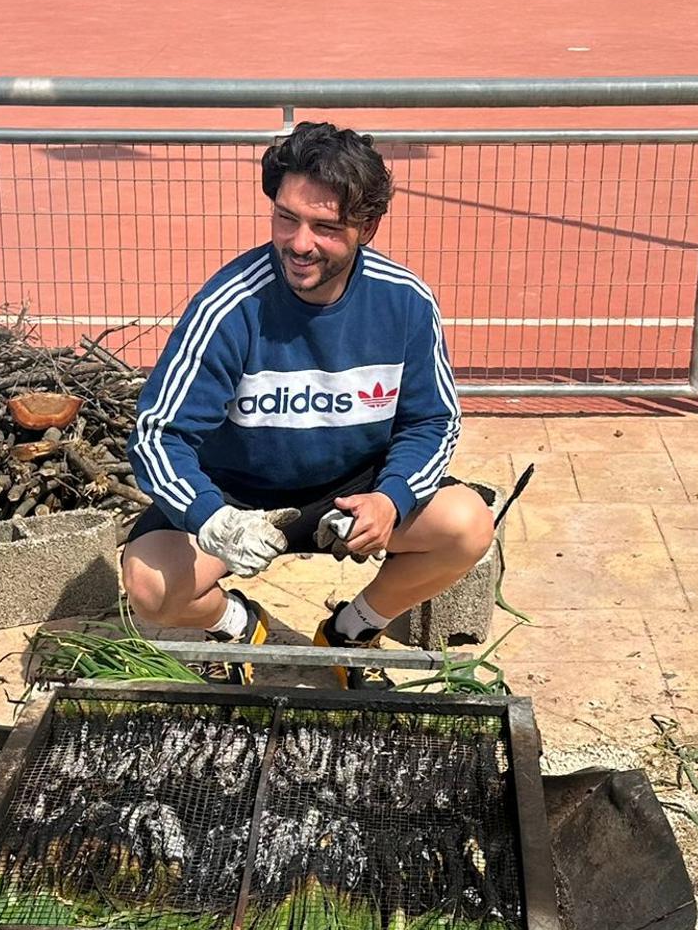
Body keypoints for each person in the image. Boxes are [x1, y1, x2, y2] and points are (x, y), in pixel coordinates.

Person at [123, 119, 492, 685]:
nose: (299, 243)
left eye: (326, 227)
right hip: (239, 500)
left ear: (367, 227)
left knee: (467, 525)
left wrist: (390, 500)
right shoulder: (229, 305)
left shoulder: (405, 302)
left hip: (353, 495)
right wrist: (213, 518)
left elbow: (433, 422)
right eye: (286, 218)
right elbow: (157, 435)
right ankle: (238, 627)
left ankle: (351, 630)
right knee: (149, 583)